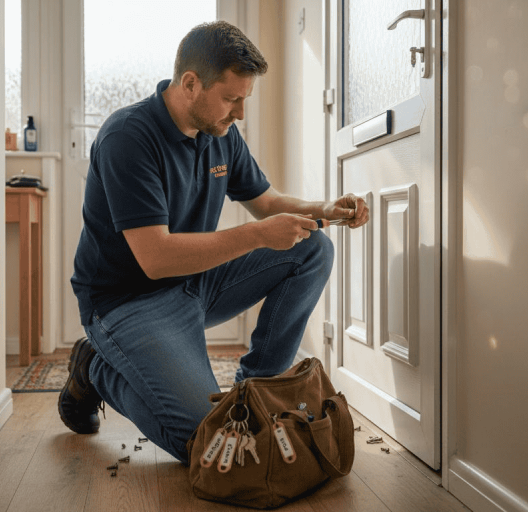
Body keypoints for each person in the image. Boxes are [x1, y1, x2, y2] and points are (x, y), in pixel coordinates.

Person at [59, 21, 369, 463]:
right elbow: (155, 258)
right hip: (126, 303)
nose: (240, 113)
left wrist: (324, 210)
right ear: (190, 83)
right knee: (209, 443)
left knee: (312, 248)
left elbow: (268, 203)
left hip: (195, 284)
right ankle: (94, 367)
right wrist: (259, 234)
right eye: (232, 99)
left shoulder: (221, 134)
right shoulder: (127, 137)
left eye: (244, 100)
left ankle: (255, 391)